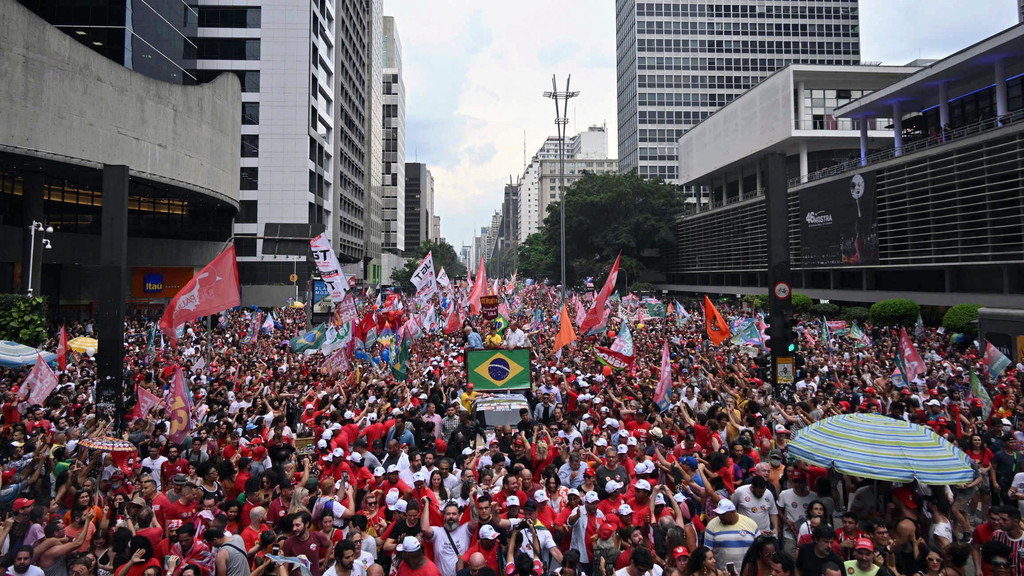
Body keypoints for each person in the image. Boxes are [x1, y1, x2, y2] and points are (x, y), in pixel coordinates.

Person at [704, 499, 760, 569]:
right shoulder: (712, 525)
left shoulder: (750, 524)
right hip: (723, 571)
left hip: (747, 571)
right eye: (719, 514)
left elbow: (759, 549)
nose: (721, 517)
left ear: (733, 512)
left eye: (723, 514)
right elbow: (707, 552)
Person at [282, 511, 333, 576]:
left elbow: (330, 545)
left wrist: (324, 565)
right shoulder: (288, 543)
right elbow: (284, 567)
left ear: (307, 524)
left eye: (297, 525)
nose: (294, 528)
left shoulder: (317, 536)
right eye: (293, 525)